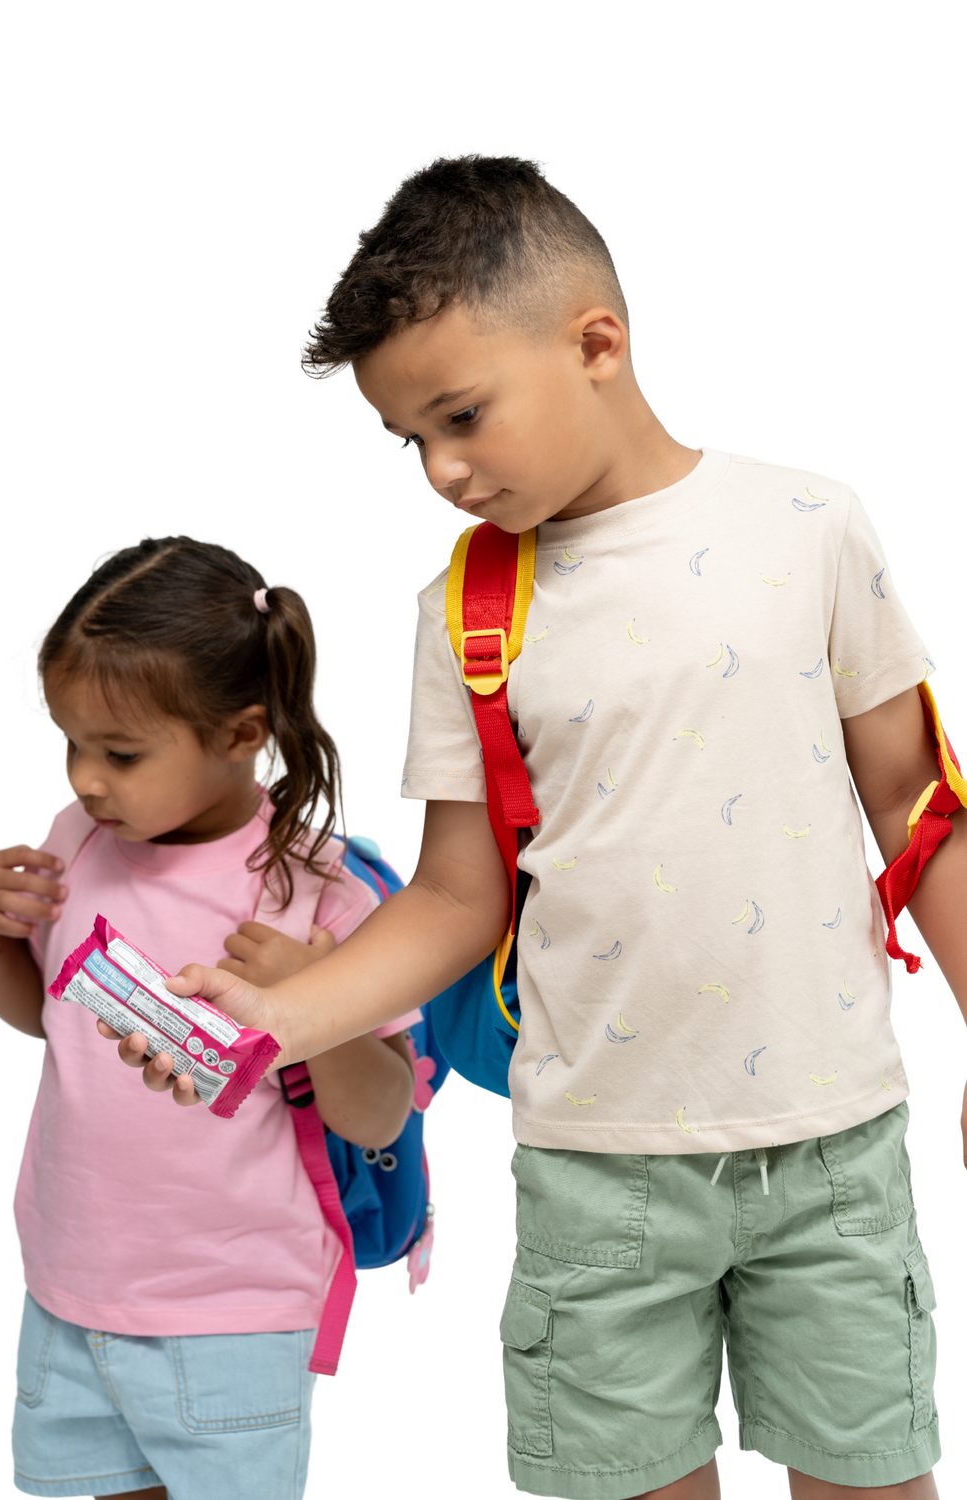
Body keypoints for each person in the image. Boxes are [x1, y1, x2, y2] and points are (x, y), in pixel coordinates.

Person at [113, 158, 963, 1500]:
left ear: (597, 344)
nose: (444, 470)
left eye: (462, 416)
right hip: (598, 1174)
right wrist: (280, 1020)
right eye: (412, 441)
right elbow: (458, 900)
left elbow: (917, 809)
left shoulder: (807, 527)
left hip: (830, 1145)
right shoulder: (467, 612)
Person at [0, 537, 418, 1500]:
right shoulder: (78, 838)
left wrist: (311, 1012)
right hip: (69, 1286)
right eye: (70, 741)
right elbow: (51, 1019)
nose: (85, 777)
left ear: (243, 734)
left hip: (233, 1311)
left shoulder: (316, 889)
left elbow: (383, 1114)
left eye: (120, 752)